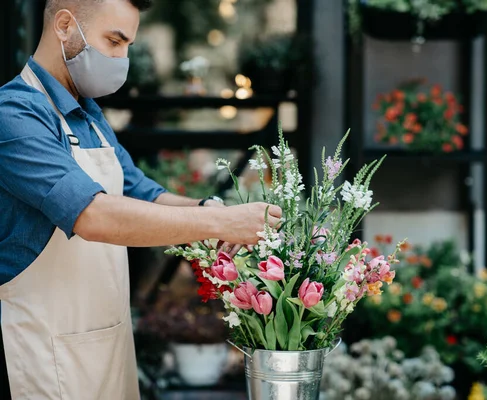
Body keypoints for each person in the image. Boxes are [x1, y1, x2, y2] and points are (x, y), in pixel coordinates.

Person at [0, 0, 282, 398]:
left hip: (109, 343)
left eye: (128, 45)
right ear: (65, 25)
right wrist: (218, 224)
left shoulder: (90, 116)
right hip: (46, 354)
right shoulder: (13, 114)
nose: (122, 58)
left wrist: (213, 210)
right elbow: (92, 215)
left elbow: (141, 193)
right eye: (114, 42)